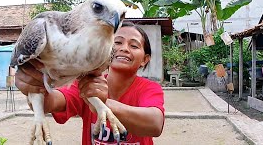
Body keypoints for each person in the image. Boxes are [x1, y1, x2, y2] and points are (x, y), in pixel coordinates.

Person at [15, 21, 165, 145]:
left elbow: (155, 124)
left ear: (145, 59)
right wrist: (35, 87)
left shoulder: (149, 88)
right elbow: (51, 102)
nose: (124, 49)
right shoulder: (87, 83)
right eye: (117, 42)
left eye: (134, 46)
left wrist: (104, 104)